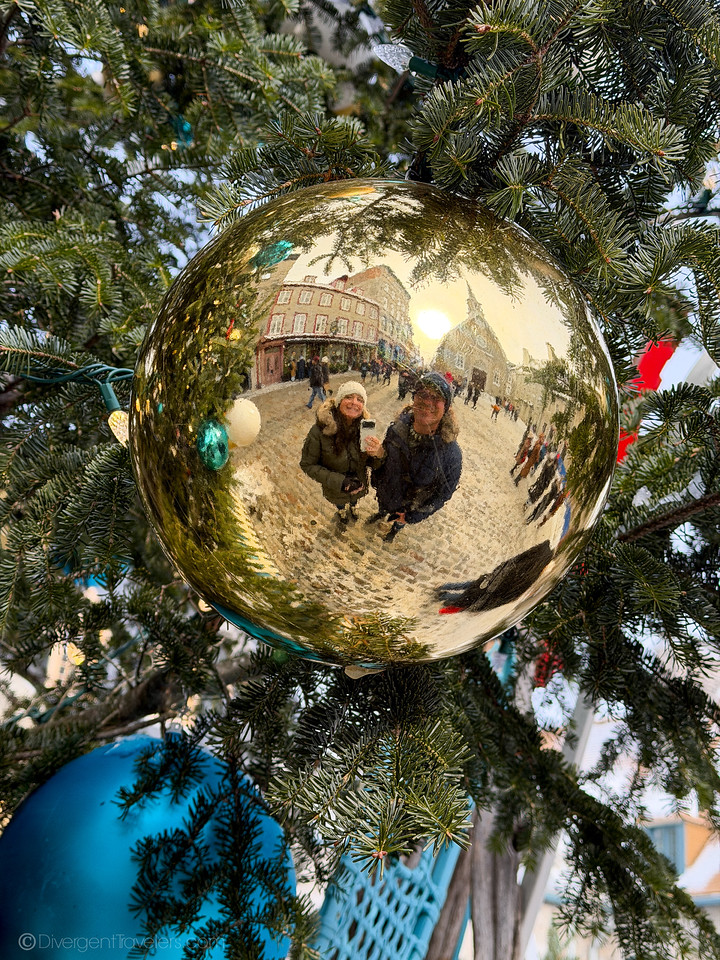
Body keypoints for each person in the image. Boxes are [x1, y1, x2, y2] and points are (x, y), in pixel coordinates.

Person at [369, 372, 462, 543]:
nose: (427, 401)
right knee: (383, 509)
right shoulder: (397, 428)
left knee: (398, 520)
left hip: (407, 507)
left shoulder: (451, 454)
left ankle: (394, 530)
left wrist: (413, 516)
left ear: (446, 407)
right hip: (386, 494)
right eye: (423, 394)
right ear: (414, 397)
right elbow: (385, 460)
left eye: (436, 397)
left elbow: (443, 494)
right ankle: (381, 513)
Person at [300, 381, 382, 523]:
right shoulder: (320, 430)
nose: (354, 403)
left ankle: (354, 507)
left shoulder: (365, 429)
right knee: (340, 503)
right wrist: (340, 482)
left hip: (359, 484)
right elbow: (307, 465)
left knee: (355, 500)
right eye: (349, 397)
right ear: (339, 401)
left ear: (363, 406)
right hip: (336, 488)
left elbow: (372, 463)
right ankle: (341, 510)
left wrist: (378, 454)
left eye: (360, 399)